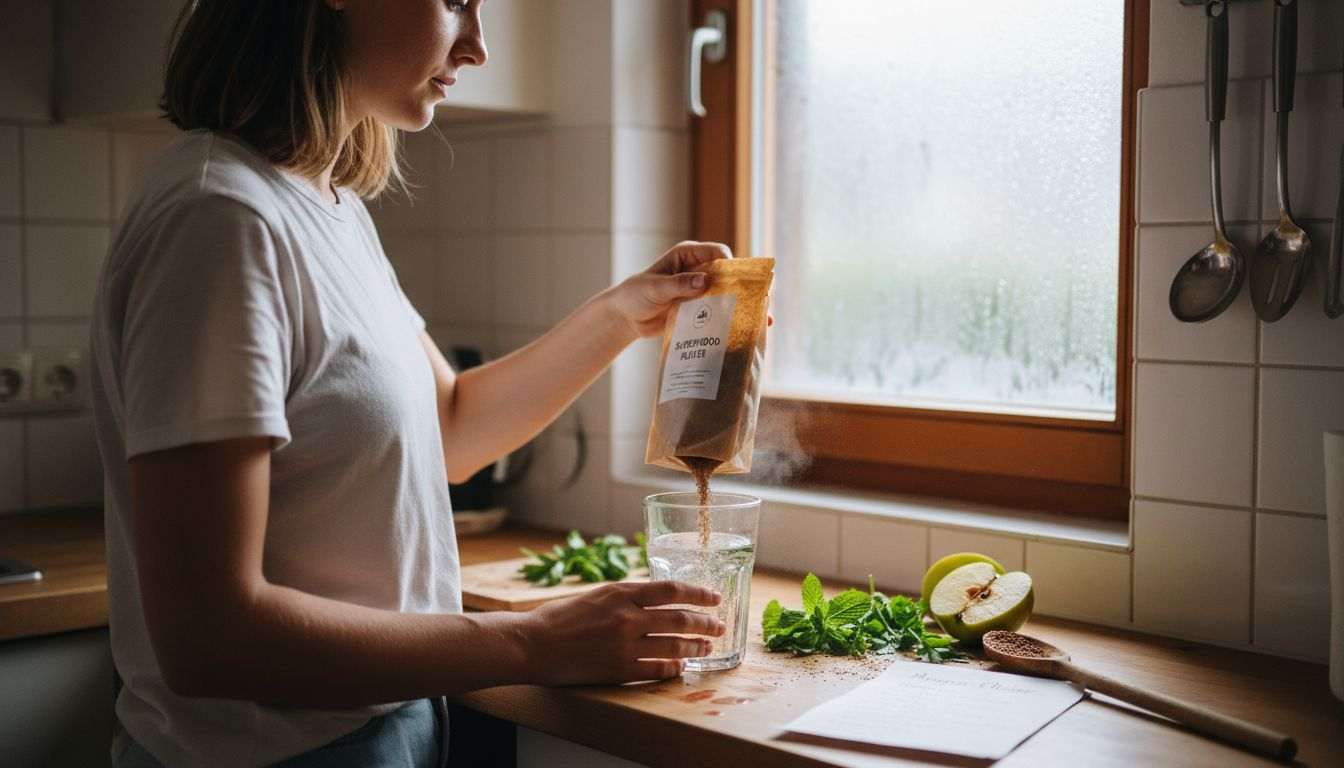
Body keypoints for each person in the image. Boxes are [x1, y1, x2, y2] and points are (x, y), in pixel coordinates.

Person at [89, 1, 731, 765]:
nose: (479, 46)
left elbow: (451, 428)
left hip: (381, 734)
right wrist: (533, 641)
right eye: (456, 0)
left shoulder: (326, 206)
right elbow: (209, 637)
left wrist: (623, 314)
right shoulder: (220, 218)